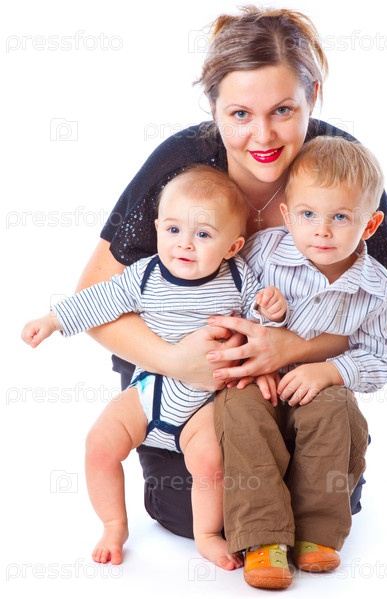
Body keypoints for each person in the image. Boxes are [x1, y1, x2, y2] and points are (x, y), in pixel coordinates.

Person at [72, 2, 387, 573]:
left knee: (324, 500)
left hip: (299, 380)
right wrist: (177, 361)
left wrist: (296, 349)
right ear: (213, 108)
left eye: (283, 110)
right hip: (179, 383)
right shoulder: (181, 165)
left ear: (313, 97)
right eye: (239, 114)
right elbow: (94, 297)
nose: (263, 135)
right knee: (196, 514)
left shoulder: (337, 165)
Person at [21, 165, 287, 570]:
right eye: (174, 230)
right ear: (158, 228)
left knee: (210, 464)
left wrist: (272, 311)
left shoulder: (238, 278)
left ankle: (206, 534)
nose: (185, 244)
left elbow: (262, 325)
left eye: (203, 235)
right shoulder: (144, 276)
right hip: (148, 392)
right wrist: (54, 320)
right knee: (99, 444)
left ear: (232, 247)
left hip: (204, 404)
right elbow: (99, 299)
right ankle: (113, 525)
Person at [216, 134, 387, 589]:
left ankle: (316, 532)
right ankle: (263, 538)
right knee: (238, 412)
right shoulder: (265, 252)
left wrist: (332, 370)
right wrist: (261, 319)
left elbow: (384, 358)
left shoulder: (378, 290)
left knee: (335, 412)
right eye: (308, 215)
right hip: (257, 381)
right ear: (286, 215)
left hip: (319, 390)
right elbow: (228, 299)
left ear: (370, 225)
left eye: (340, 217)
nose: (322, 230)